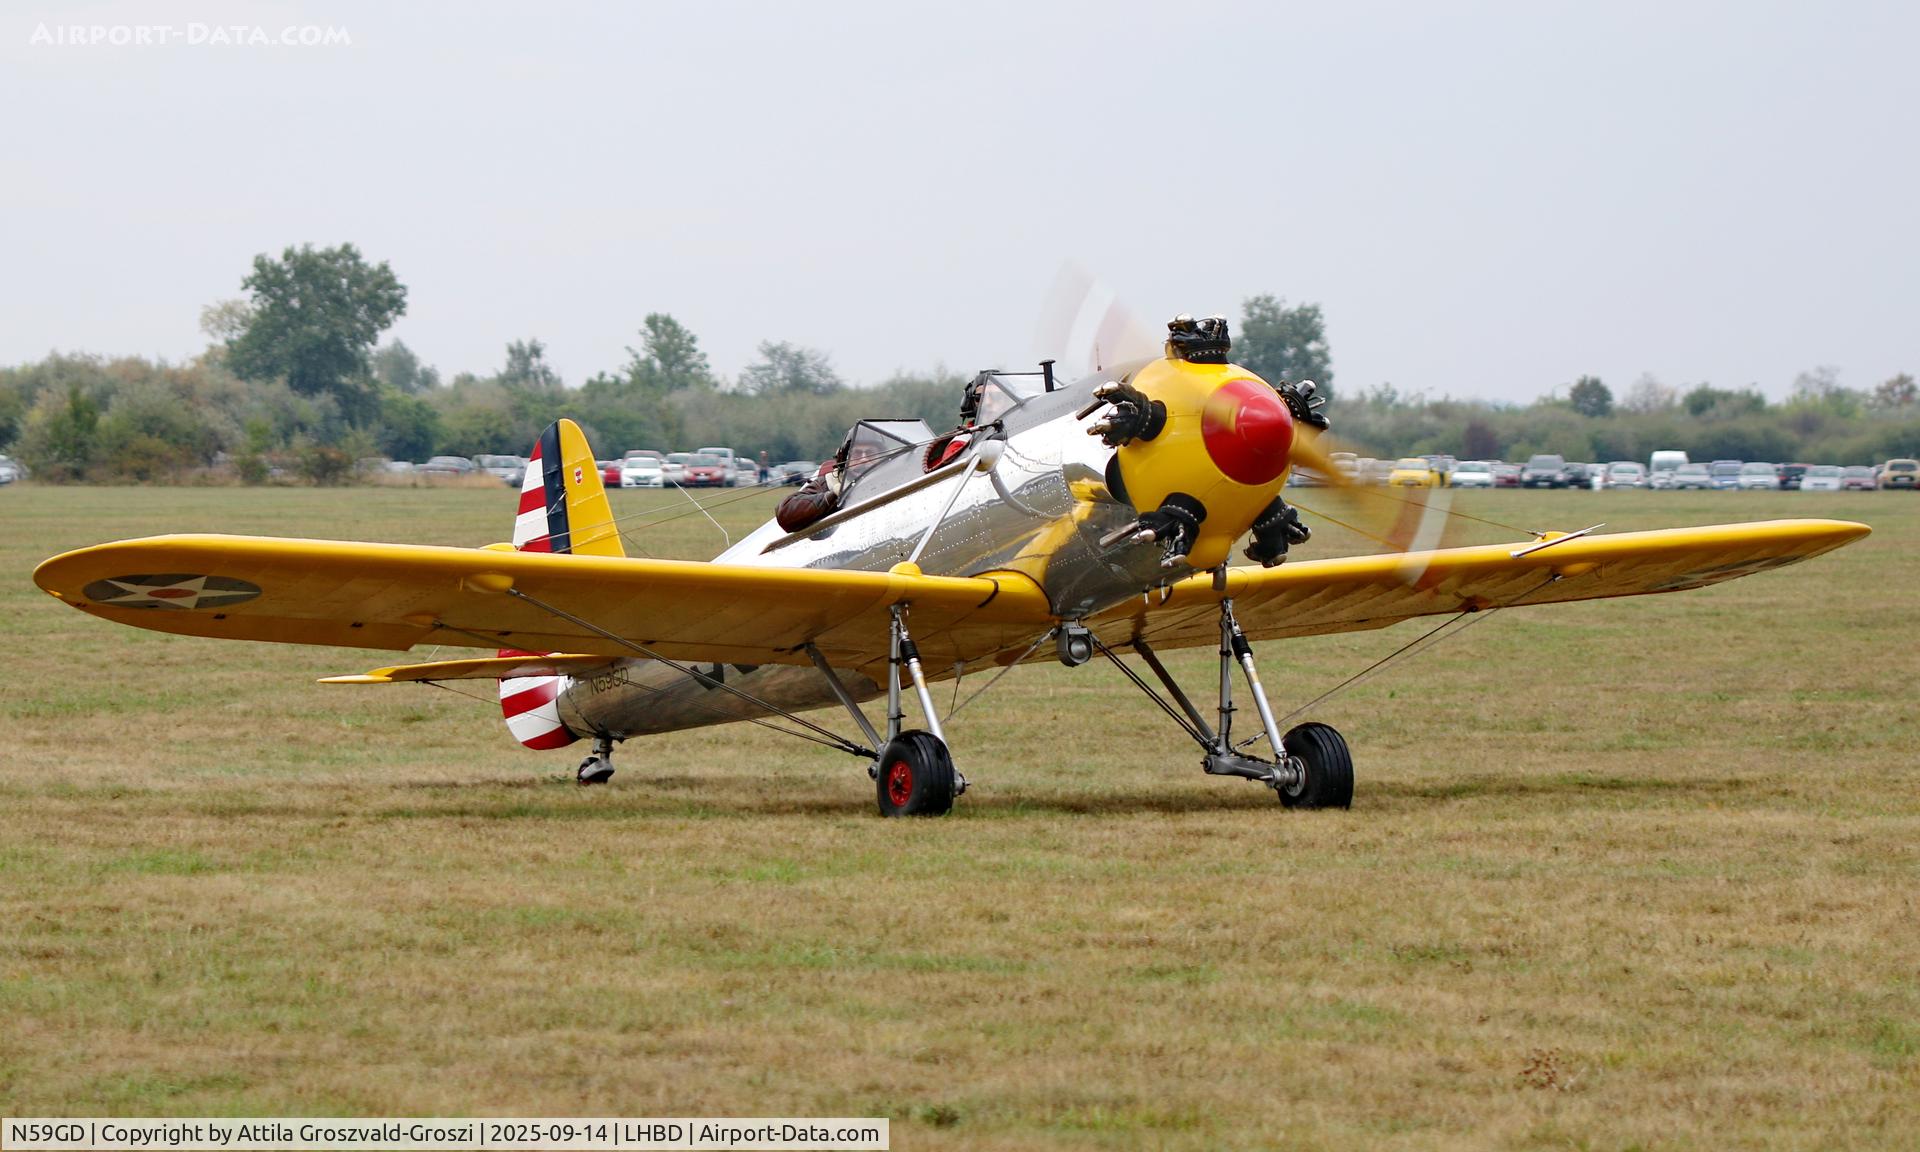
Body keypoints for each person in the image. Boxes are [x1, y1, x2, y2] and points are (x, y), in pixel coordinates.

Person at [775, 432, 881, 532]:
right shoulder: (830, 481)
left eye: (870, 453)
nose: (864, 459)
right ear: (844, 459)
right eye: (857, 454)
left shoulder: (890, 478)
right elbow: (785, 513)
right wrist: (833, 494)